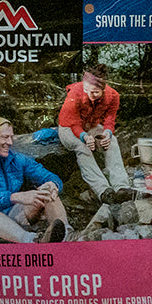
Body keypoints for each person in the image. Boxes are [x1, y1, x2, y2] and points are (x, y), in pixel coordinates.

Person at [0, 117, 68, 245]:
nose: (9, 142)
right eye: (4, 137)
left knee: (47, 192)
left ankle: (65, 236)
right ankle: (33, 241)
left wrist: (53, 184)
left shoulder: (16, 159)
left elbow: (48, 176)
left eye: (11, 137)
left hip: (9, 216)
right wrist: (14, 197)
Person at [57, 64, 132, 203]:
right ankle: (103, 191)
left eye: (95, 93)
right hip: (68, 127)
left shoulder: (113, 96)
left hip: (91, 126)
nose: (90, 96)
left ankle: (121, 187)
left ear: (103, 89)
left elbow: (110, 119)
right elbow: (73, 122)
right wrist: (84, 137)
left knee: (112, 141)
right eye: (87, 91)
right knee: (82, 147)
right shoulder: (74, 93)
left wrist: (108, 133)